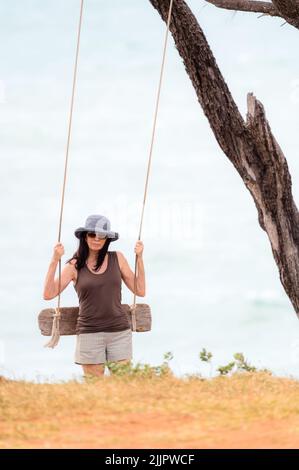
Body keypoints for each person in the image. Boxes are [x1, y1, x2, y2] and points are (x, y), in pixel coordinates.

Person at [43, 214, 145, 378]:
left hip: (119, 332)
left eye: (102, 235)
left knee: (124, 386)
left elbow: (140, 290)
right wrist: (55, 260)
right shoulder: (74, 266)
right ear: (84, 236)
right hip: (90, 333)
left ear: (107, 239)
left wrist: (140, 258)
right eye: (92, 234)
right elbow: (48, 294)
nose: (97, 239)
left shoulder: (117, 258)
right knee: (95, 388)